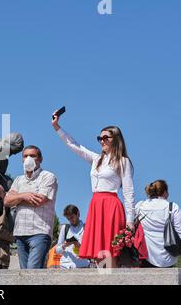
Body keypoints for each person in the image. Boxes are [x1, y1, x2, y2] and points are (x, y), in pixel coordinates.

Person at [52, 111, 135, 268]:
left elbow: (128, 192)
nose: (101, 141)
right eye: (99, 138)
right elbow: (75, 146)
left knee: (111, 254)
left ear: (116, 140)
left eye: (105, 138)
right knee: (97, 253)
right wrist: (57, 127)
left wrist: (130, 220)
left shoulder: (123, 162)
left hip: (111, 206)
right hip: (96, 205)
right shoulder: (96, 159)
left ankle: (110, 281)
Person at [4, 145, 58, 269]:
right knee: (24, 275)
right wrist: (25, 195)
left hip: (39, 231)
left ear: (40, 159)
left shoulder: (48, 176)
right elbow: (6, 201)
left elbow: (39, 200)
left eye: (32, 156)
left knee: (32, 272)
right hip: (20, 232)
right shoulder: (18, 180)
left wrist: (17, 198)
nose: (28, 158)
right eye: (25, 156)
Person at [136, 180, 181, 268]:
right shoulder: (172, 207)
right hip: (169, 257)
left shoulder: (141, 206)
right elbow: (179, 232)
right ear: (164, 192)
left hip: (147, 256)